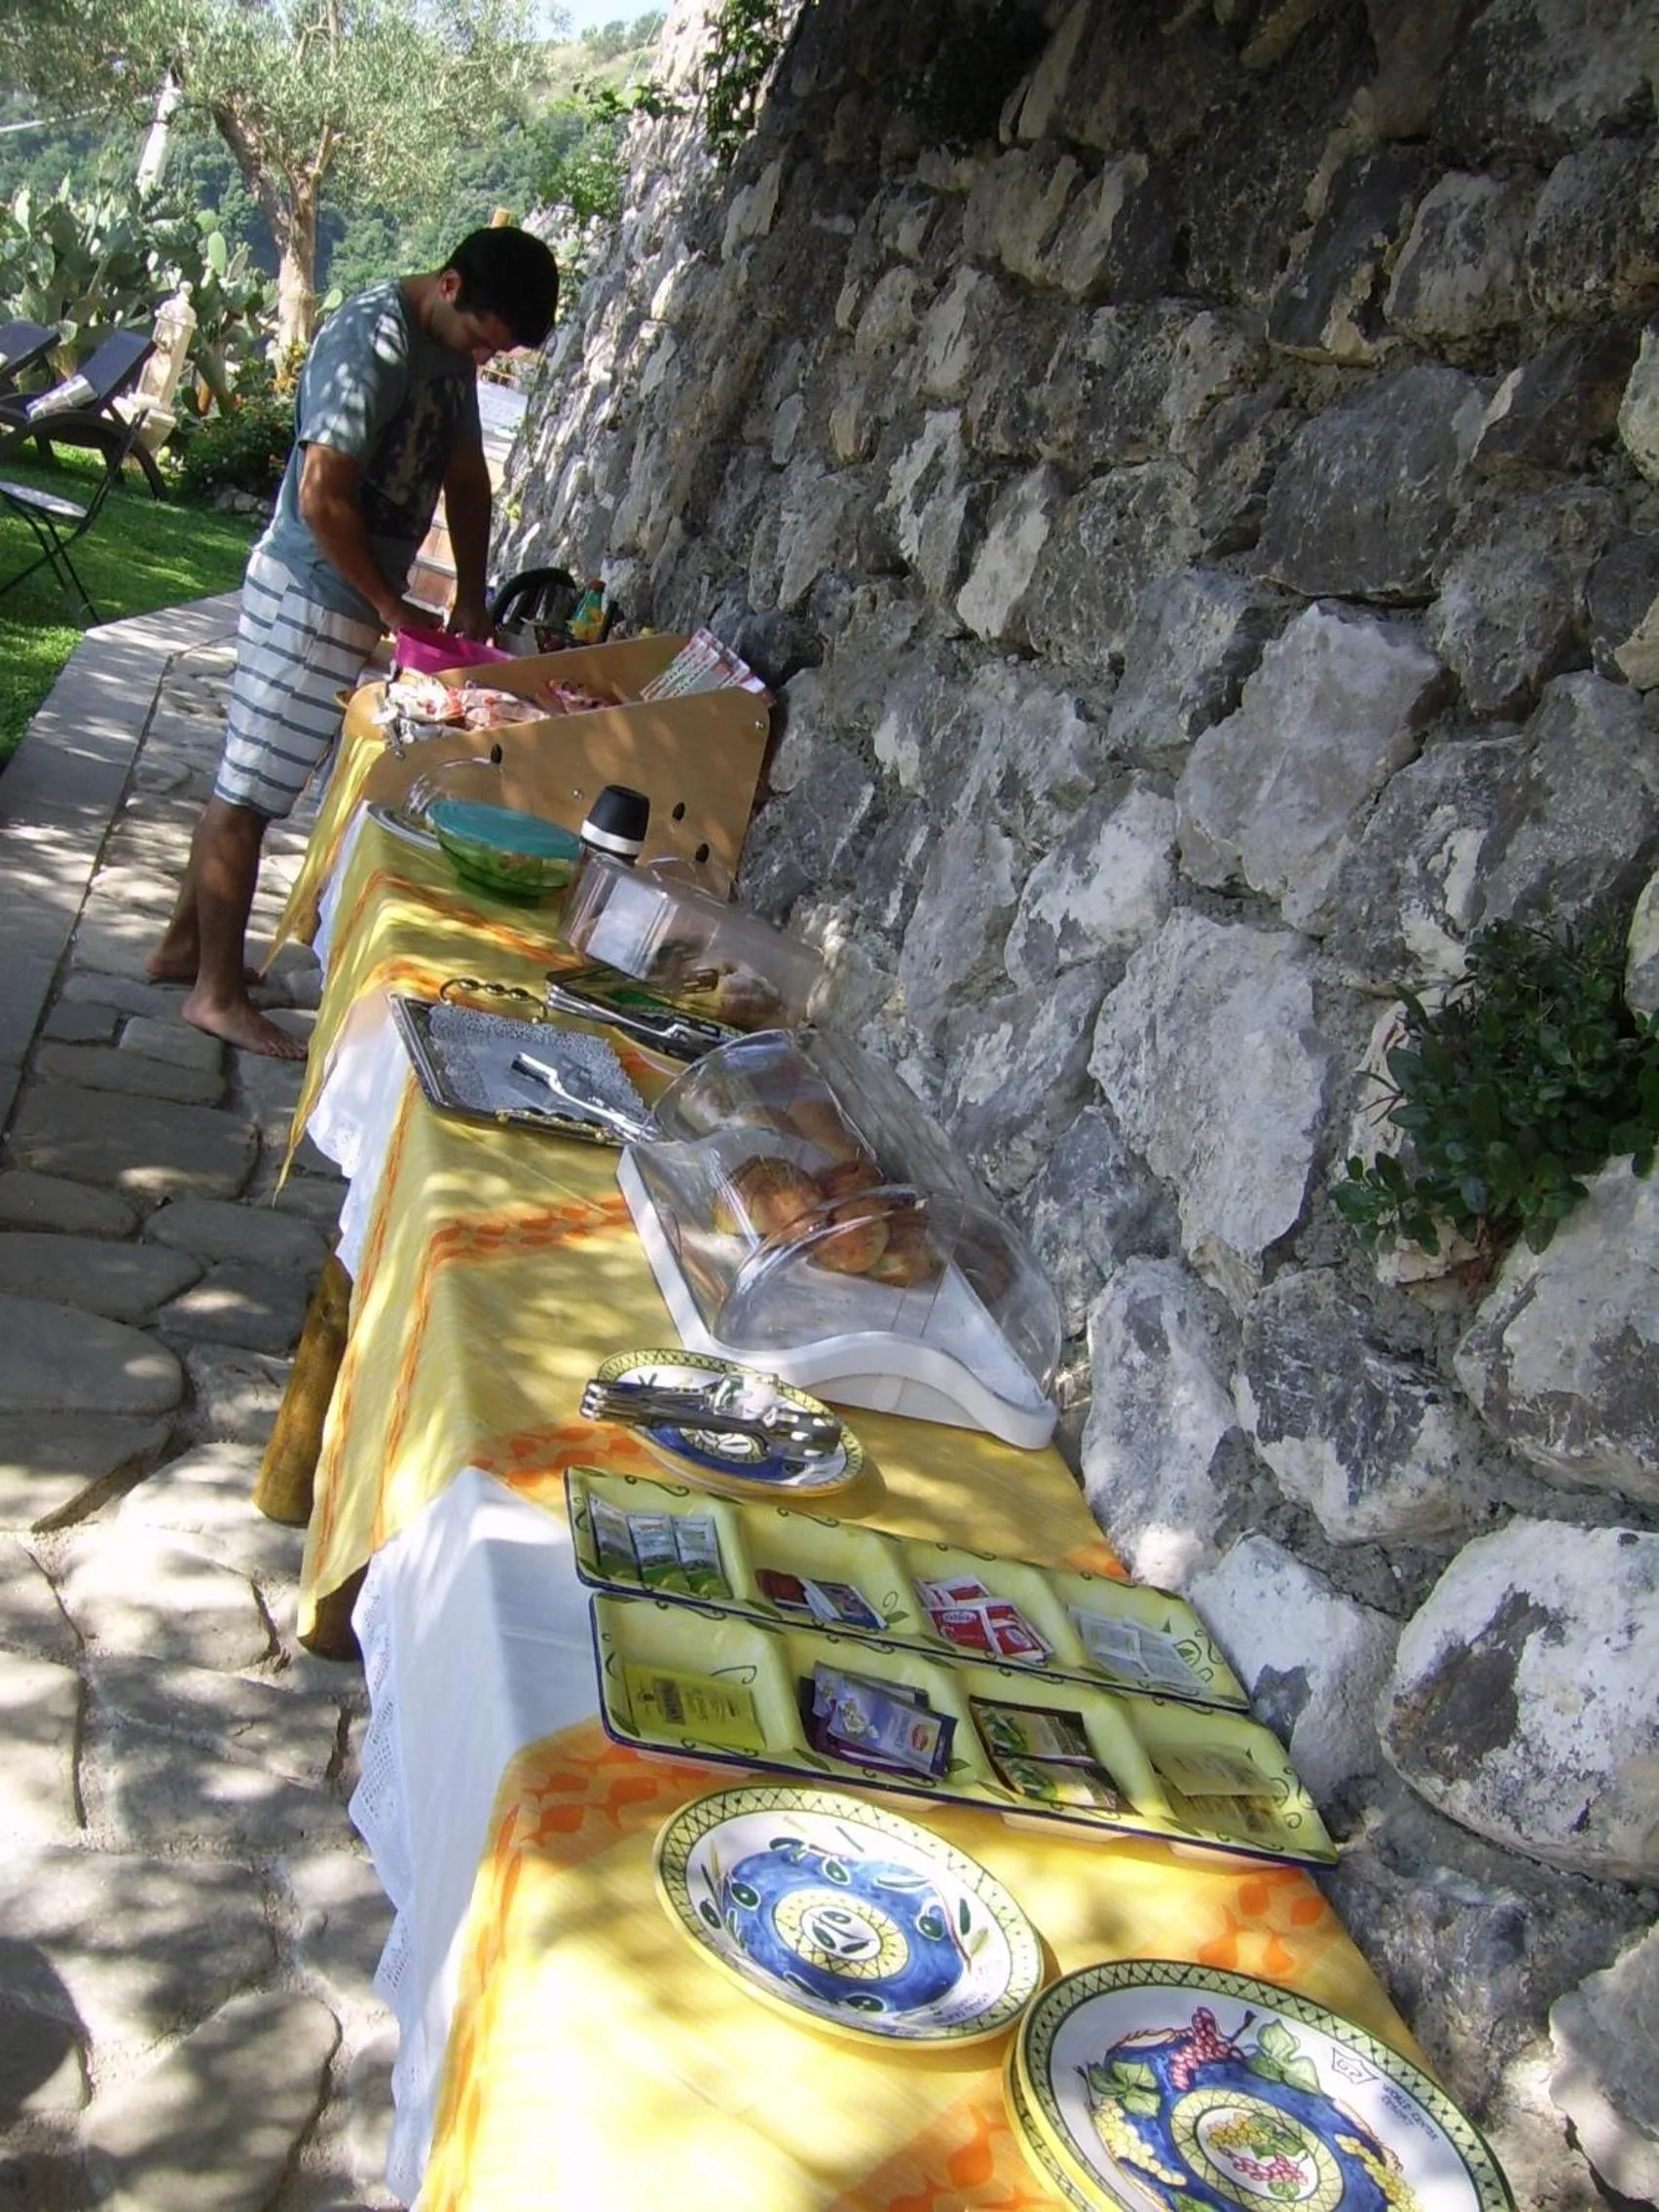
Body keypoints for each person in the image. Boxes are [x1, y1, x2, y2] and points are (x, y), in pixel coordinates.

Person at [149, 226, 560, 1058]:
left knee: (250, 776)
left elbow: (467, 473)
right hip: (310, 592)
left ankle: (184, 948)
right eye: (484, 340)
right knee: (249, 799)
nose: (483, 360)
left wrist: (475, 594)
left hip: (344, 600)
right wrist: (394, 607)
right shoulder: (372, 339)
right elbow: (321, 496)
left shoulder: (447, 352)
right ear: (449, 287)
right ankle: (216, 995)